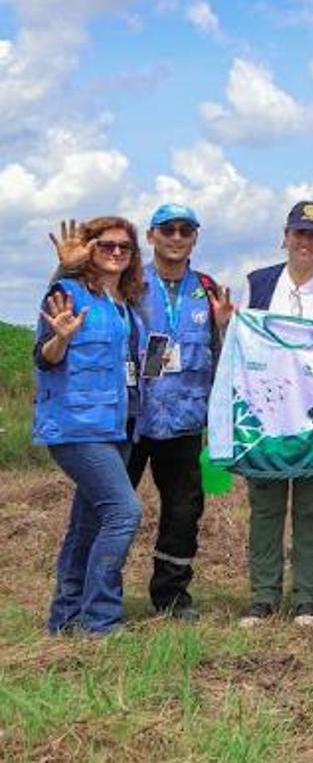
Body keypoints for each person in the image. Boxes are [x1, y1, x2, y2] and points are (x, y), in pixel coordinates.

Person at [232, 201, 313, 627]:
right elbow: (240, 345)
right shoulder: (258, 283)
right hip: (268, 417)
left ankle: (307, 597)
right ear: (285, 237)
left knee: (311, 511)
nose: (305, 242)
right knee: (266, 508)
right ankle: (263, 598)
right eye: (298, 233)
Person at [36, 217, 147, 635]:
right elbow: (44, 357)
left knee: (88, 524)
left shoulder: (125, 305)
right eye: (106, 245)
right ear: (88, 249)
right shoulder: (67, 292)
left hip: (117, 426)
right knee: (123, 512)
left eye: (125, 247)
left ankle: (65, 619)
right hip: (77, 426)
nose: (116, 252)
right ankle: (101, 620)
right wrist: (60, 338)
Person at [128, 204, 232, 621]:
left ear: (194, 238)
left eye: (184, 230)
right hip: (133, 418)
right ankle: (98, 591)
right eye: (167, 230)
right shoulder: (130, 284)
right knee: (116, 507)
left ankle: (171, 597)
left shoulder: (206, 289)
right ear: (151, 236)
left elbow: (222, 354)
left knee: (185, 510)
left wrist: (223, 325)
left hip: (186, 420)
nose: (176, 237)